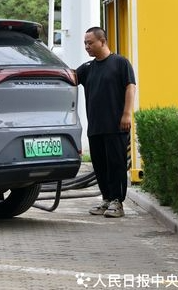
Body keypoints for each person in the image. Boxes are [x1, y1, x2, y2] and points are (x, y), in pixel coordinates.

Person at [76, 27, 136, 218]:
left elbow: (130, 87)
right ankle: (107, 199)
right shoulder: (87, 68)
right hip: (95, 126)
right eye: (85, 43)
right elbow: (69, 78)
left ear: (102, 41)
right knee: (100, 165)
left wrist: (127, 114)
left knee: (116, 164)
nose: (87, 46)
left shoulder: (120, 63)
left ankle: (117, 201)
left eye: (90, 43)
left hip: (116, 126)